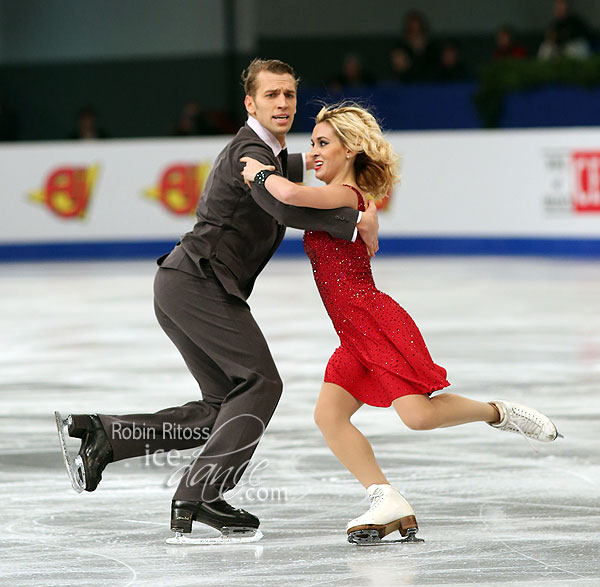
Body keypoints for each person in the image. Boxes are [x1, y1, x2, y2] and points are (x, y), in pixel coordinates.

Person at [55, 59, 379, 543]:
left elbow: (307, 179)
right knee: (261, 384)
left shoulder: (268, 152)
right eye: (272, 95)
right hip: (198, 282)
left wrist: (359, 194)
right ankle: (200, 494)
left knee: (223, 407)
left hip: (185, 282)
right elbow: (282, 204)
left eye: (290, 94)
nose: (284, 103)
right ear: (250, 103)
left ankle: (107, 434)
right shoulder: (250, 150)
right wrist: (355, 223)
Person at [240, 103, 561, 545]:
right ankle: (385, 497)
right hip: (352, 335)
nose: (313, 152)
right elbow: (294, 202)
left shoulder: (346, 197)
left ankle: (498, 413)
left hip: (375, 323)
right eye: (311, 143)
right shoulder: (346, 202)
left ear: (350, 149)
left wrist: (258, 173)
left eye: (323, 144)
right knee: (329, 417)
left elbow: (289, 199)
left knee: (417, 416)